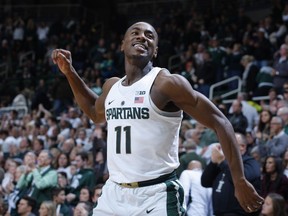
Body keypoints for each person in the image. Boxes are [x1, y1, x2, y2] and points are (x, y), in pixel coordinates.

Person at [52, 21, 263, 215]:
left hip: (156, 194)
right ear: (122, 45)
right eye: (135, 33)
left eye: (149, 36)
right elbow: (93, 111)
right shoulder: (111, 87)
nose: (142, 37)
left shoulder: (167, 84)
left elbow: (221, 122)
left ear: (155, 51)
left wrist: (240, 180)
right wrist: (70, 73)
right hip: (114, 193)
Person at [201, 132, 262, 215]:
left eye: (230, 143)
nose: (226, 147)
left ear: (242, 147)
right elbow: (205, 182)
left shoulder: (250, 162)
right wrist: (213, 162)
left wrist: (222, 162)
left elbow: (242, 179)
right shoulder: (224, 163)